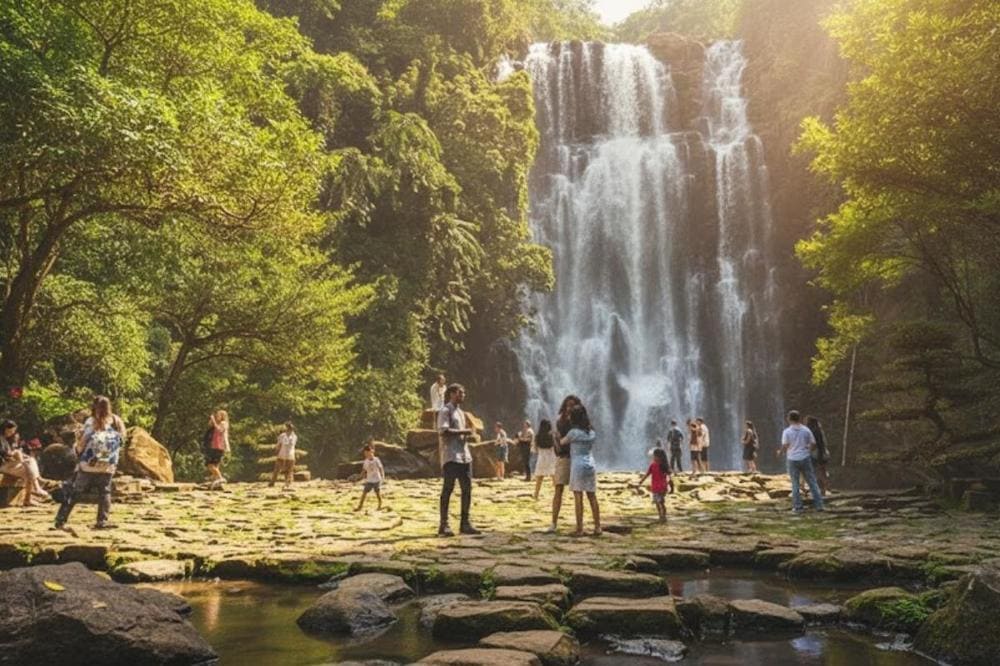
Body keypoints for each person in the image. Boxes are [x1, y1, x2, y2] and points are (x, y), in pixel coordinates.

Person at [55, 396, 124, 530]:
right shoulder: (116, 421)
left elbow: (83, 442)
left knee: (75, 491)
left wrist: (77, 452)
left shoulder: (91, 421)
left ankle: (61, 520)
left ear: (94, 406)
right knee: (104, 492)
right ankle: (102, 521)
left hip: (89, 464)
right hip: (107, 465)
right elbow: (121, 441)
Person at [437, 384, 480, 536]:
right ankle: (444, 525)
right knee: (447, 489)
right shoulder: (445, 411)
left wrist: (468, 434)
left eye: (463, 393)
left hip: (464, 456)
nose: (463, 395)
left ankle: (465, 523)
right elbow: (443, 431)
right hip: (451, 456)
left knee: (467, 490)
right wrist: (465, 431)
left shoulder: (461, 413)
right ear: (452, 394)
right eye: (460, 393)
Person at [562, 404, 601, 537]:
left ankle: (580, 529)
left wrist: (554, 436)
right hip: (590, 463)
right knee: (592, 496)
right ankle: (598, 527)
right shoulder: (591, 432)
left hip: (577, 465)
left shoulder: (573, 433)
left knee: (578, 496)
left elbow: (562, 443)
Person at [779, 410, 824, 513]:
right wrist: (808, 451)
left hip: (792, 459)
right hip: (805, 458)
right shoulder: (806, 430)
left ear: (789, 419)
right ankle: (819, 505)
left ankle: (798, 507)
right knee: (812, 482)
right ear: (799, 418)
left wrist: (781, 452)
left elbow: (785, 445)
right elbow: (813, 443)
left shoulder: (787, 431)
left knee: (795, 483)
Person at [548, 394, 580, 533]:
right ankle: (553, 523)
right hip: (563, 457)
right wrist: (556, 439)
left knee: (578, 492)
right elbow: (558, 443)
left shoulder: (580, 422)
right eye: (568, 405)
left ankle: (580, 526)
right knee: (558, 489)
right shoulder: (560, 422)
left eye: (572, 405)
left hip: (576, 457)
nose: (569, 408)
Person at [0, 420, 48, 506]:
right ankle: (34, 489)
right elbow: (4, 454)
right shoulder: (1, 439)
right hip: (2, 465)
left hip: (8, 463)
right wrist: (15, 453)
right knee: (28, 466)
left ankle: (30, 495)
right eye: (11, 431)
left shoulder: (5, 439)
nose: (12, 433)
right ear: (5, 429)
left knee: (30, 463)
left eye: (13, 431)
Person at [637, 448, 671, 524]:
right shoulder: (652, 465)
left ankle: (664, 516)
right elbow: (647, 474)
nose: (653, 458)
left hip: (662, 487)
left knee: (661, 502)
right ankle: (660, 515)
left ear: (660, 457)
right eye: (653, 456)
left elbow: (669, 476)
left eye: (655, 456)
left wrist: (670, 484)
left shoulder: (663, 466)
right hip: (655, 487)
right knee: (657, 502)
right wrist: (640, 482)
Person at [355, 443, 385, 511]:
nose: (367, 455)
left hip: (377, 479)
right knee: (364, 493)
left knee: (377, 493)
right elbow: (364, 470)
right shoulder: (366, 461)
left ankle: (380, 504)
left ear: (372, 451)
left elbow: (381, 468)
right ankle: (360, 506)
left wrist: (383, 475)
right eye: (365, 453)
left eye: (368, 453)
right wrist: (359, 477)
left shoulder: (376, 460)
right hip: (369, 480)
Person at [532, 419, 557, 500]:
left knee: (539, 478)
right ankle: (557, 495)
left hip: (541, 457)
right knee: (554, 477)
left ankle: (536, 494)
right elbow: (555, 447)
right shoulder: (551, 436)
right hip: (551, 457)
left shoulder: (537, 436)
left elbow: (534, 449)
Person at [205, 410, 230, 489]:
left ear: (222, 416)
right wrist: (212, 420)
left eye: (218, 415)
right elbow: (210, 426)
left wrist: (214, 421)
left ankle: (220, 478)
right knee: (215, 465)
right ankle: (216, 481)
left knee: (210, 465)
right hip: (215, 446)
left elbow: (220, 430)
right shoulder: (217, 423)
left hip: (219, 446)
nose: (216, 417)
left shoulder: (223, 423)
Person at [806, 416, 830, 495]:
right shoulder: (820, 431)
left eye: (807, 422)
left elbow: (814, 444)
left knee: (815, 472)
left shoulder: (813, 432)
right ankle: (824, 489)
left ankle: (817, 489)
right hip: (823, 454)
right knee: (822, 472)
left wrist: (807, 449)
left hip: (816, 454)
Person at [269, 422, 297, 489]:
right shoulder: (294, 436)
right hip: (289, 455)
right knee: (288, 470)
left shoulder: (283, 436)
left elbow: (279, 445)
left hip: (284, 455)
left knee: (278, 469)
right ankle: (287, 483)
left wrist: (276, 450)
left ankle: (273, 482)